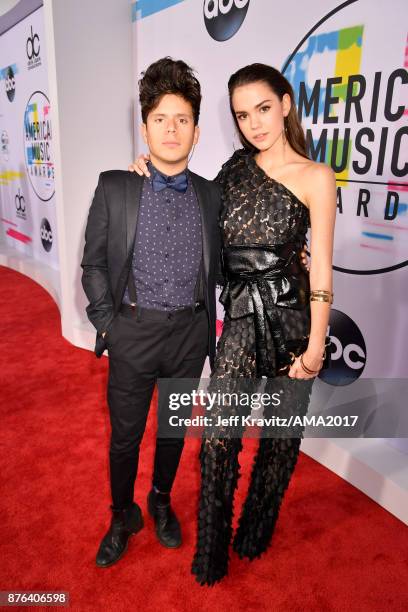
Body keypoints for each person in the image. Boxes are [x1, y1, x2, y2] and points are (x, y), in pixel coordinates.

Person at [131, 63, 336, 585]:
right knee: (220, 438)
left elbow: (322, 268)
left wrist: (316, 344)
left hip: (292, 321)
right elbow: (192, 210)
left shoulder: (316, 177)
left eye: (263, 109)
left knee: (280, 440)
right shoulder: (234, 170)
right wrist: (151, 178)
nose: (254, 124)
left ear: (286, 104)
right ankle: (213, 552)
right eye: (242, 115)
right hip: (241, 316)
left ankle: (256, 534)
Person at [81, 57, 222, 568]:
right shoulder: (116, 186)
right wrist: (108, 325)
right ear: (145, 128)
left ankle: (161, 501)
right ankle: (122, 513)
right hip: (132, 332)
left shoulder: (212, 195)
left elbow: (230, 263)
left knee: (172, 428)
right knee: (124, 436)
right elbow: (93, 263)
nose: (171, 129)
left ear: (197, 131)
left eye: (182, 119)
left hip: (190, 333)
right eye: (161, 118)